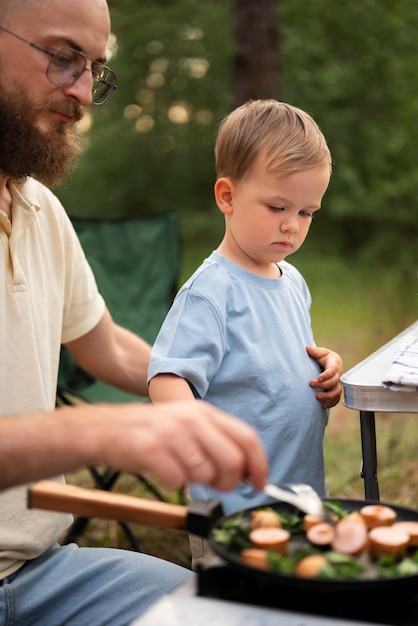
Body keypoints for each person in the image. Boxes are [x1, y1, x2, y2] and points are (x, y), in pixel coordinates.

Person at [0, 1, 268, 624]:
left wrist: (226, 388)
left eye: (96, 69)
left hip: (43, 574)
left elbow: (107, 349)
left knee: (239, 612)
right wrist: (98, 431)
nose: (85, 92)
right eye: (64, 58)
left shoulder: (39, 208)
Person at [148, 99, 343, 563]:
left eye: (307, 212)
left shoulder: (291, 280)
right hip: (233, 511)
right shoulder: (210, 292)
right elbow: (167, 379)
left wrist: (325, 367)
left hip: (297, 496)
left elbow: (283, 356)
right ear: (227, 197)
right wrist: (204, 453)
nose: (292, 226)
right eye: (277, 206)